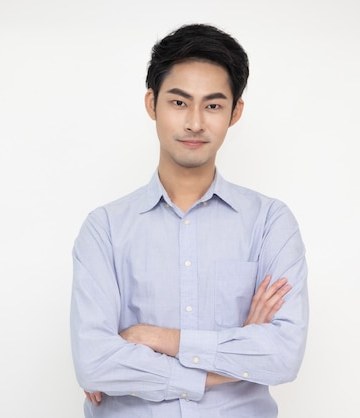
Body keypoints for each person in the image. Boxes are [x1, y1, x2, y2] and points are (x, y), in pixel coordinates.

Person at [70, 23, 309, 418]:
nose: (195, 122)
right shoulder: (105, 229)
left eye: (213, 105)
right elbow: (95, 363)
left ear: (235, 112)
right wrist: (235, 353)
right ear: (152, 104)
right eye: (179, 103)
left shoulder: (270, 223)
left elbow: (282, 355)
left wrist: (154, 338)